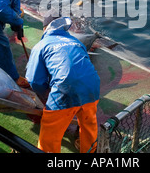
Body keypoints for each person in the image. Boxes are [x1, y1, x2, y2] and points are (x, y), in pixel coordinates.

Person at [25, 16, 100, 153]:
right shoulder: (75, 41)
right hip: (92, 87)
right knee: (89, 124)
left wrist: (46, 93)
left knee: (50, 134)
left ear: (44, 29)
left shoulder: (42, 45)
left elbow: (34, 81)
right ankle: (90, 150)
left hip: (65, 91)